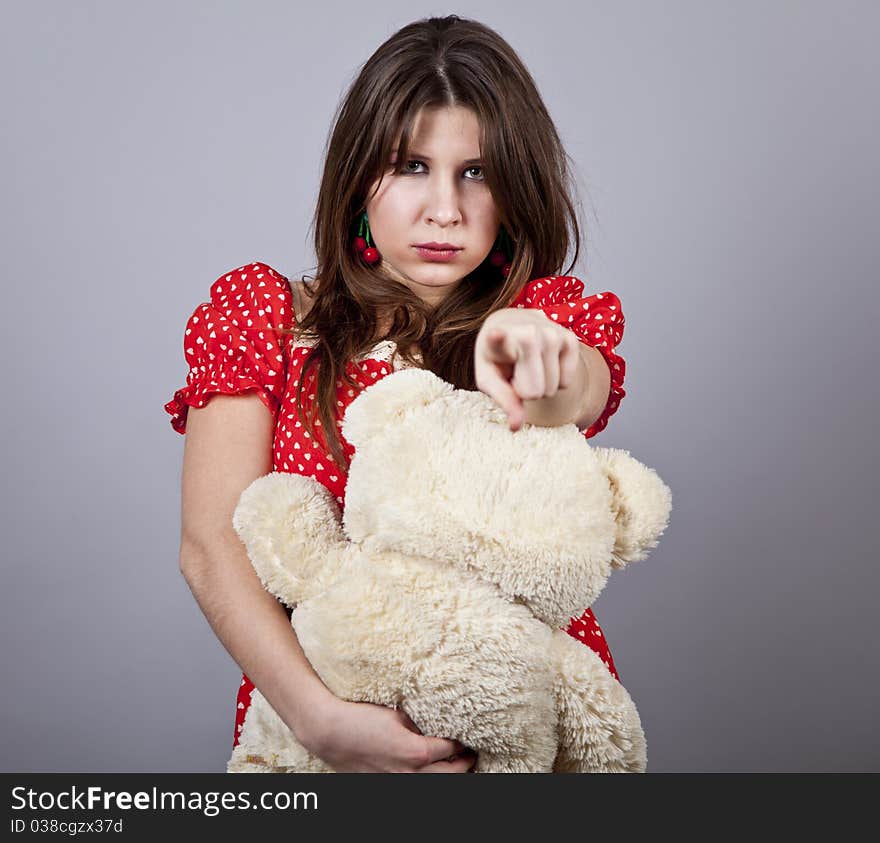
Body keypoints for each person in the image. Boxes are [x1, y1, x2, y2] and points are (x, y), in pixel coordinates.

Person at [165, 14, 627, 773]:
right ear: (357, 178)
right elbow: (210, 546)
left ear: (515, 188)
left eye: (475, 172)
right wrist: (323, 724)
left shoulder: (543, 320)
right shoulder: (267, 317)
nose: (444, 207)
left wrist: (541, 360)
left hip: (516, 734)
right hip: (315, 738)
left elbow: (576, 386)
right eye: (412, 165)